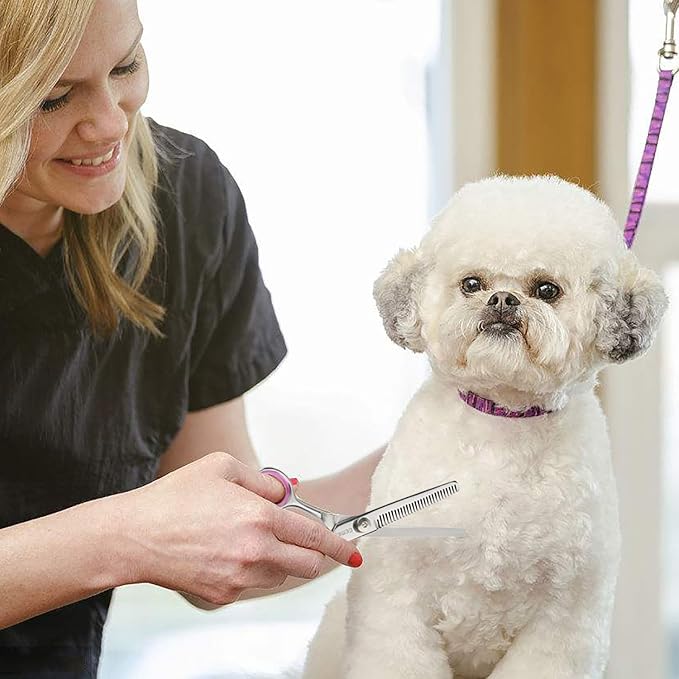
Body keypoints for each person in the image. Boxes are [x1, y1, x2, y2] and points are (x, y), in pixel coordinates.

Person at [0, 0, 384, 676]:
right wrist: (124, 536)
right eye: (53, 98)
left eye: (126, 66)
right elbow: (144, 537)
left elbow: (228, 543)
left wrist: (428, 457)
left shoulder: (184, 199)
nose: (111, 122)